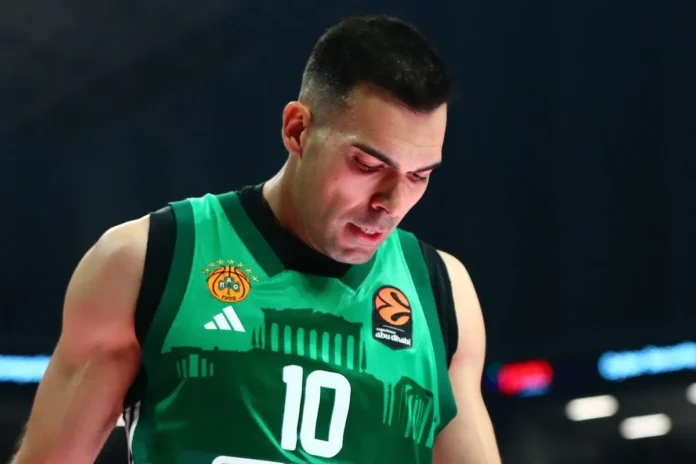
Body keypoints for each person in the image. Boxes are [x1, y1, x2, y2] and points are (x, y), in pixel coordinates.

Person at [11, 14, 501, 464]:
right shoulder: (148, 260)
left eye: (419, 176)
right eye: (368, 165)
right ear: (297, 130)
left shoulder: (442, 293)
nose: (391, 202)